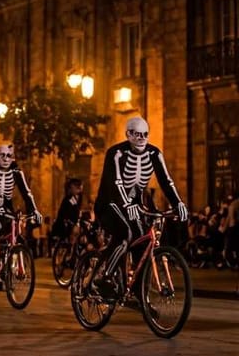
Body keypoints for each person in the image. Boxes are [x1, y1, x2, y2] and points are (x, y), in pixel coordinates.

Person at [93, 116, 188, 299]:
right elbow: (116, 182)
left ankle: (137, 294)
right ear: (128, 134)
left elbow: (166, 181)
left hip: (135, 206)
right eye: (137, 134)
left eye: (145, 135)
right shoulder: (116, 153)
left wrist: (178, 203)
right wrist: (126, 203)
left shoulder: (154, 153)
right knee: (126, 233)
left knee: (143, 240)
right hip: (109, 204)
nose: (141, 139)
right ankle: (104, 278)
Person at [0, 143, 42, 273]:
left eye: (9, 156)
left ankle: (4, 269)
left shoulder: (17, 172)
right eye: (2, 156)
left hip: (6, 208)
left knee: (12, 233)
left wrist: (34, 210)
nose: (6, 159)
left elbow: (26, 193)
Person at [51, 178, 83, 242]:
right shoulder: (69, 198)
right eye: (75, 187)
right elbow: (66, 213)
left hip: (71, 224)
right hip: (66, 226)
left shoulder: (76, 198)